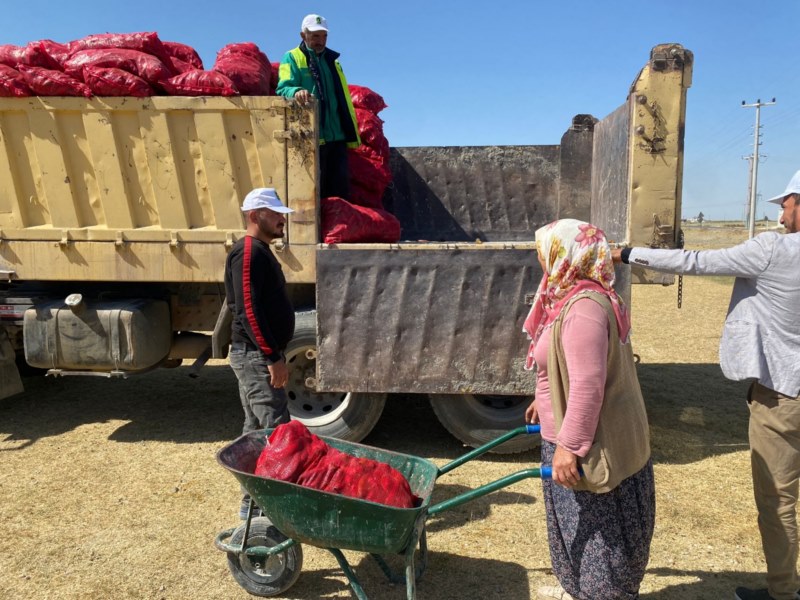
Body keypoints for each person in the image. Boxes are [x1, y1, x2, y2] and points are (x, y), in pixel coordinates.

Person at [612, 170, 800, 600]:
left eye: (786, 202)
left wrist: (626, 254)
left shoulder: (772, 250)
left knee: (779, 502)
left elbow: (696, 262)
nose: (782, 212)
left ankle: (784, 593)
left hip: (784, 396)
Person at [524, 219, 655, 600]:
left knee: (600, 546)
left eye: (543, 250)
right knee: (574, 537)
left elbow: (587, 384)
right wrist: (545, 397)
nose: (539, 259)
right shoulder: (565, 296)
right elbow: (562, 366)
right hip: (564, 437)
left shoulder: (584, 309)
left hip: (587, 449)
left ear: (566, 253)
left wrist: (569, 447)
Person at [224, 187, 295, 519]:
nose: (282, 219)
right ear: (254, 216)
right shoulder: (248, 252)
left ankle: (253, 505)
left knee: (255, 431)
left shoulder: (260, 250)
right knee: (274, 431)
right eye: (275, 214)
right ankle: (268, 509)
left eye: (282, 214)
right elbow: (248, 311)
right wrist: (272, 357)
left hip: (255, 354)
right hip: (255, 356)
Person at [276, 13, 360, 200]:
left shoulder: (333, 61)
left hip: (337, 137)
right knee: (315, 196)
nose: (320, 41)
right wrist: (296, 91)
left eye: (324, 36)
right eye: (315, 36)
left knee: (340, 194)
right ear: (302, 35)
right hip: (312, 138)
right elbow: (283, 88)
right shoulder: (291, 57)